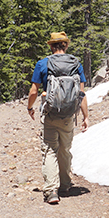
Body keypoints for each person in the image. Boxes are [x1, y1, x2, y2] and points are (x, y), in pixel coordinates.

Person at [26, 32, 89, 204]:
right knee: (65, 149)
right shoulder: (76, 63)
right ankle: (65, 185)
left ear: (51, 46)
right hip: (69, 114)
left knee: (49, 150)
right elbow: (81, 93)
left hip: (50, 113)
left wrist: (30, 107)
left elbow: (33, 91)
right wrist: (85, 116)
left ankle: (51, 190)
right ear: (66, 45)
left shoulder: (43, 63)